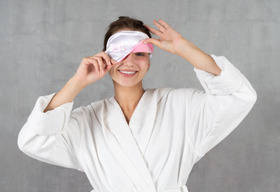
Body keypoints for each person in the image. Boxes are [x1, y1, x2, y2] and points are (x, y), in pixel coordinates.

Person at [17, 16, 257, 192]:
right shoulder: (86, 121)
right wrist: (77, 82)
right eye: (120, 53)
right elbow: (33, 140)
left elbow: (238, 96)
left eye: (139, 53)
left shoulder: (180, 107)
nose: (129, 62)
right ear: (105, 57)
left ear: (149, 60)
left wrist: (186, 50)